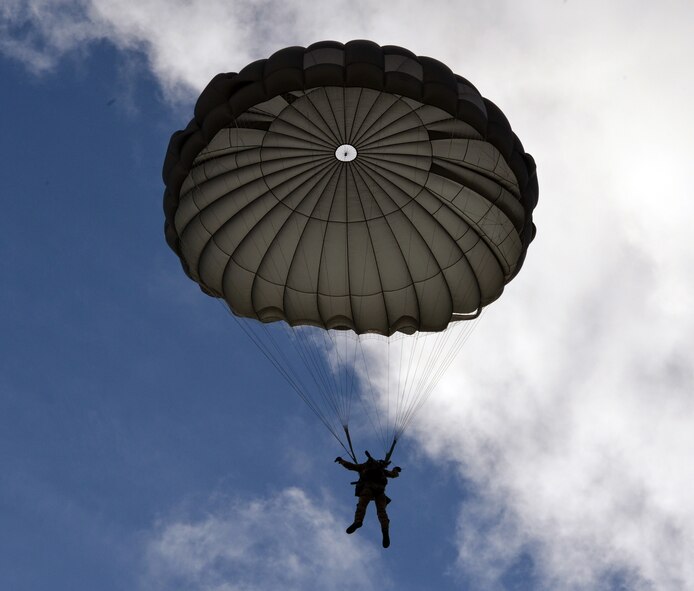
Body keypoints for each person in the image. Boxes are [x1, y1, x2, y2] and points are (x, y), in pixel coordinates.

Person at [335, 452, 402, 548]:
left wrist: (341, 461)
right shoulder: (381, 469)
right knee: (381, 512)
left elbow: (350, 466)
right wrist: (396, 470)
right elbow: (393, 475)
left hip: (369, 489)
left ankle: (358, 521)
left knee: (362, 506)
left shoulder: (365, 467)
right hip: (379, 491)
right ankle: (384, 529)